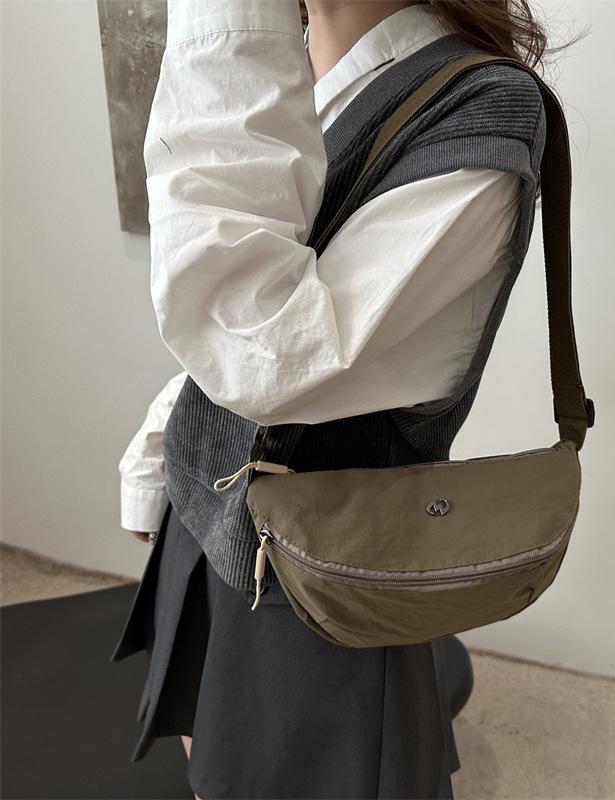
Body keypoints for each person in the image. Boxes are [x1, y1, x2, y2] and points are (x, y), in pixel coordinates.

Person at [110, 1, 576, 797]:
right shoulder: (294, 71)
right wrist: (160, 452)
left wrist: (231, 23)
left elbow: (260, 348)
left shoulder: (477, 106)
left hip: (316, 579)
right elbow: (223, 362)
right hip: (219, 524)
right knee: (209, 757)